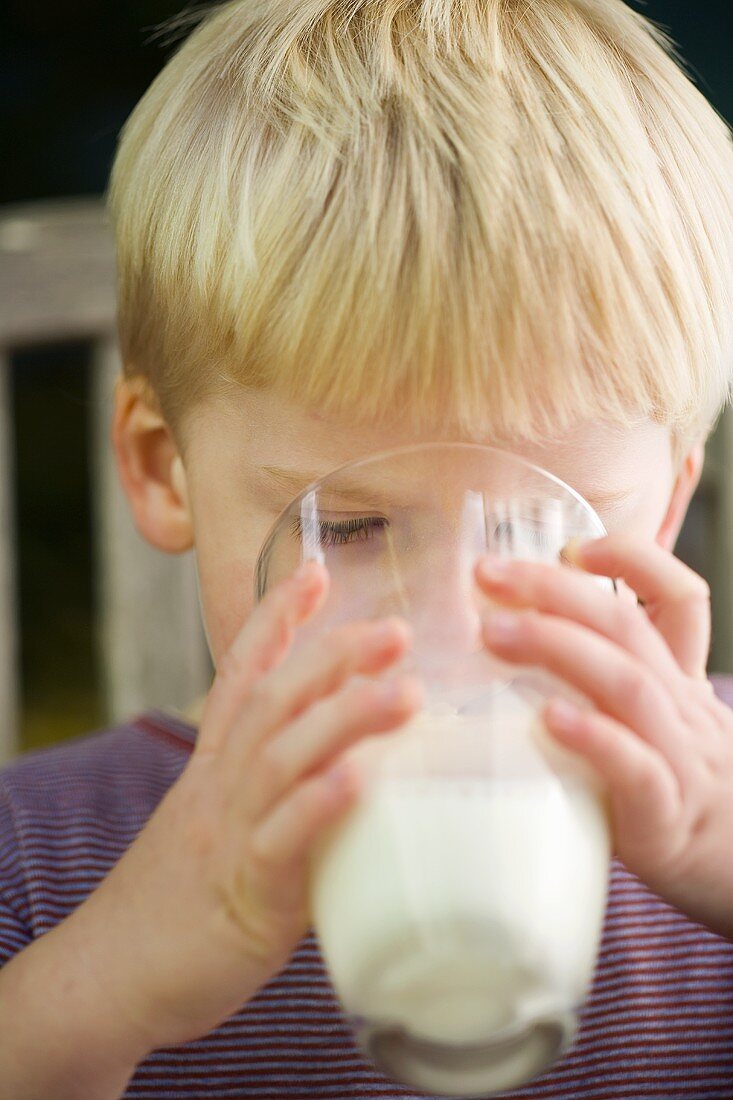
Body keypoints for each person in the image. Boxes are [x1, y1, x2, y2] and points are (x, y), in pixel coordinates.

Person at [3, 0, 733, 1096]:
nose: (444, 631)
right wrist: (102, 986)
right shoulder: (36, 860)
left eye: (545, 529)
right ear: (165, 469)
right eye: (347, 527)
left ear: (665, 508)